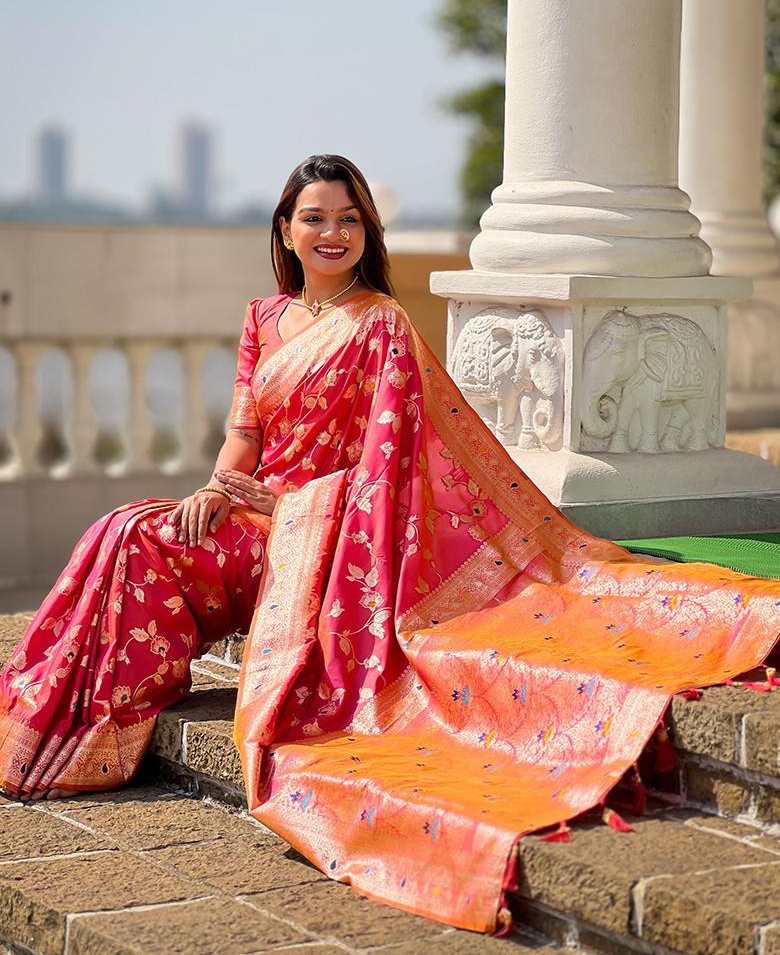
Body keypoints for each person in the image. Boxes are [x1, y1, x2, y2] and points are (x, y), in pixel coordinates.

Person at [2, 153, 780, 935]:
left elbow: (390, 469)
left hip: (326, 539)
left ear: (366, 229)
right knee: (132, 528)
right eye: (315, 217)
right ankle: (80, 728)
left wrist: (293, 504)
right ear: (286, 229)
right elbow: (244, 432)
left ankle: (81, 736)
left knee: (135, 531)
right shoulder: (263, 319)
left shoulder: (381, 324)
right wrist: (213, 490)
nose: (331, 232)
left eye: (347, 218)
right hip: (254, 520)